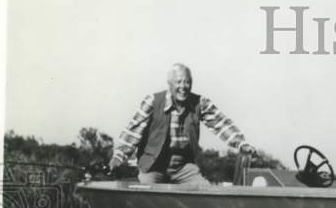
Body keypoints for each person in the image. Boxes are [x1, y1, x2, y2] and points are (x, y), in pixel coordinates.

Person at [109, 63, 257, 185]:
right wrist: (118, 157)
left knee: (205, 192)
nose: (183, 86)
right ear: (169, 84)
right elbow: (133, 132)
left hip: (183, 167)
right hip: (154, 165)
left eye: (187, 82)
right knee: (148, 195)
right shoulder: (153, 102)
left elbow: (221, 123)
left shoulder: (200, 103)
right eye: (178, 82)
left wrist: (241, 143)